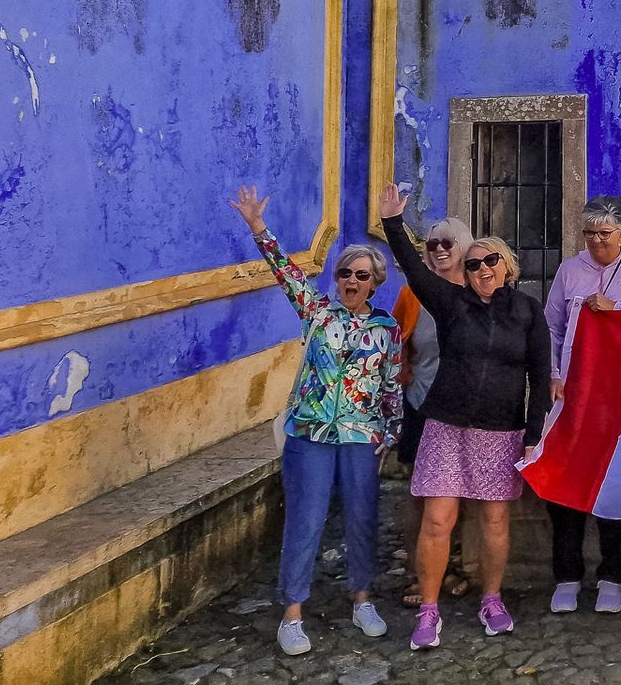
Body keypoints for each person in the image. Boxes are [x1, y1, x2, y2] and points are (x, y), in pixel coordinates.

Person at [229, 185, 401, 658]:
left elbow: (391, 385)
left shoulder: (387, 329)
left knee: (364, 519)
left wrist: (391, 432)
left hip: (361, 437)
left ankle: (362, 598)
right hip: (309, 434)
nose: (350, 280)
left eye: (360, 275)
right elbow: (285, 273)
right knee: (304, 521)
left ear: (374, 283)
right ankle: (292, 613)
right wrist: (258, 227)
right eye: (344, 272)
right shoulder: (317, 313)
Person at [379, 183, 550, 652]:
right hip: (447, 427)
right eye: (472, 264)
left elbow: (540, 375)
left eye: (488, 261)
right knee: (438, 519)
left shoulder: (528, 312)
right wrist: (394, 222)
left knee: (495, 521)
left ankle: (491, 600)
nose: (480, 270)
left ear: (507, 266)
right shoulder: (452, 305)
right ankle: (429, 610)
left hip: (501, 431)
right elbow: (415, 270)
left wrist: (534, 435)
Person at [543, 194, 621, 615]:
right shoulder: (570, 270)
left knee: (617, 485)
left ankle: (612, 576)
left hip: (620, 398)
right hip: (573, 395)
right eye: (589, 234)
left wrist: (618, 310)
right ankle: (567, 575)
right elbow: (552, 327)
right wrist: (553, 376)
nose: (596, 242)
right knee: (565, 485)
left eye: (604, 234)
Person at [393, 215, 476, 606]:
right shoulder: (413, 293)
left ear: (464, 247)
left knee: (460, 492)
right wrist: (404, 373)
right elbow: (398, 340)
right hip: (421, 404)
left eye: (448, 243)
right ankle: (416, 572)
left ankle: (456, 566)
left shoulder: (479, 288)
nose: (440, 250)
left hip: (465, 408)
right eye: (432, 244)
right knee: (418, 494)